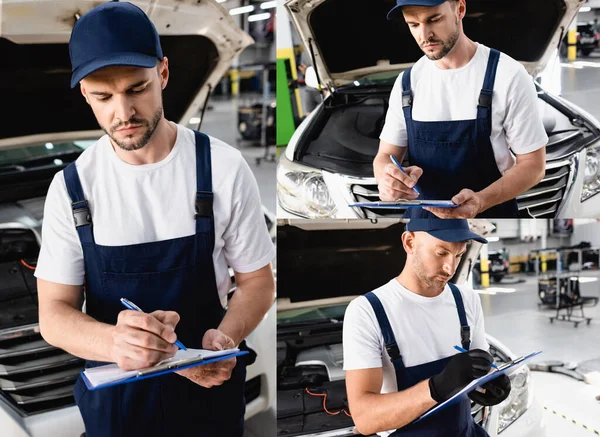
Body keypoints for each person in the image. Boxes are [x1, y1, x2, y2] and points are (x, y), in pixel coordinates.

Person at [34, 3, 275, 437]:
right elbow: (53, 315)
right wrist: (116, 343)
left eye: (136, 88)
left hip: (209, 397)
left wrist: (227, 337)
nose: (122, 112)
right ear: (85, 93)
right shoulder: (71, 189)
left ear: (163, 73)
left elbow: (258, 282)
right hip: (118, 407)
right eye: (103, 97)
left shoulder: (222, 168)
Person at [374, 0, 548, 219]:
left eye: (434, 19)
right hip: (423, 221)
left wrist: (481, 200)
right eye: (413, 24)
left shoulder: (508, 75)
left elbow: (533, 165)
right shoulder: (407, 83)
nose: (424, 35)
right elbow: (385, 156)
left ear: (460, 9)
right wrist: (387, 180)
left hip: (491, 213)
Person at [343, 219, 510, 436]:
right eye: (441, 253)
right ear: (409, 242)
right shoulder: (367, 312)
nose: (450, 268)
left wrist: (490, 381)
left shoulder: (466, 300)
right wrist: (436, 387)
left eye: (459, 255)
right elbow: (365, 419)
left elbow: (480, 366)